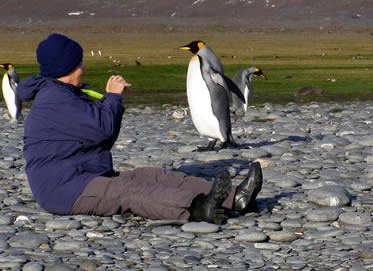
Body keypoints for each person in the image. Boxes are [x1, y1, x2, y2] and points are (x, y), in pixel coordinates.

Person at [16, 33, 262, 224]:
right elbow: (103, 131)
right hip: (66, 189)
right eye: (80, 62)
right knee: (128, 191)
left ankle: (235, 197)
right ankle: (198, 208)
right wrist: (112, 97)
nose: (83, 67)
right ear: (67, 68)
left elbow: (94, 132)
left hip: (84, 176)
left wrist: (109, 101)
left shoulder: (61, 94)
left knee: (153, 176)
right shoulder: (56, 99)